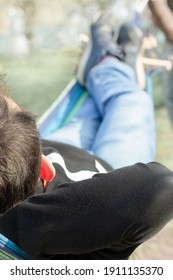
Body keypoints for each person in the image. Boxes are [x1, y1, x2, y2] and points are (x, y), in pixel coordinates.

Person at [0, 12, 173, 260]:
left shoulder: (16, 155)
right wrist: (11, 229)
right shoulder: (61, 235)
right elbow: (161, 186)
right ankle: (107, 62)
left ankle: (106, 63)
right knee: (129, 100)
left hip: (45, 147)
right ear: (44, 170)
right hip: (111, 166)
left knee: (97, 103)